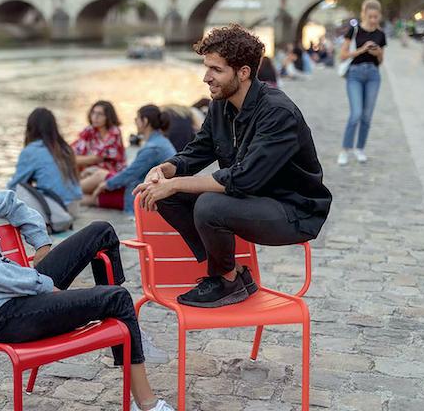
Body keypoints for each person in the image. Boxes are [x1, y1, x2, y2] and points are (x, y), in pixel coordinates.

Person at [0, 124, 174, 411]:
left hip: (14, 293)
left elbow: (10, 202)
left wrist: (41, 244)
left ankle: (128, 334)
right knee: (117, 299)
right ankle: (148, 402)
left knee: (101, 231)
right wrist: (40, 283)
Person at [132, 24, 332, 308]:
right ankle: (233, 273)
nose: (206, 77)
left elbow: (243, 178)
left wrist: (176, 183)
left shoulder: (277, 112)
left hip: (293, 210)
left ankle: (225, 280)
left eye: (216, 70)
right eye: (206, 68)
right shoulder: (220, 105)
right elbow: (197, 151)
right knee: (166, 194)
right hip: (251, 200)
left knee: (209, 205)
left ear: (243, 72)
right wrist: (166, 170)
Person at [87, 105, 176, 214]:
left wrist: (106, 184)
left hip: (144, 196)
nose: (135, 122)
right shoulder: (160, 141)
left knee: (91, 194)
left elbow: (130, 174)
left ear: (145, 121)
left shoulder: (153, 148)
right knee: (99, 175)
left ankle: (68, 194)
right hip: (150, 190)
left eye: (136, 119)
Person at [337, 0, 387, 166]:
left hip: (373, 75)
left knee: (366, 117)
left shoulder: (381, 34)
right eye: (370, 16)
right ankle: (345, 149)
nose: (373, 20)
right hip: (355, 75)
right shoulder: (354, 30)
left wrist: (378, 53)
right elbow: (342, 55)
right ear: (364, 14)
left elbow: (381, 61)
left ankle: (360, 149)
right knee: (356, 114)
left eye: (376, 17)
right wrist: (362, 50)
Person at [7, 107, 81, 216]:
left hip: (57, 210)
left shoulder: (31, 150)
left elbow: (15, 187)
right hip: (74, 207)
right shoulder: (64, 147)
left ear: (31, 127)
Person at [72, 100, 126, 195]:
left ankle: (70, 191)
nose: (95, 117)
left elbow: (97, 158)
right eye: (93, 113)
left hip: (109, 172)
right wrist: (72, 159)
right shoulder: (89, 130)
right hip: (89, 171)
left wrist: (73, 159)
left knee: (86, 170)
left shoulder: (114, 132)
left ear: (108, 117)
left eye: (100, 114)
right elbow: (74, 151)